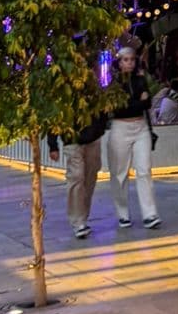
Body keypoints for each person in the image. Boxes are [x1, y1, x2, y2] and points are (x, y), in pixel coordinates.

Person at [107, 45, 160, 230]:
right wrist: (140, 102)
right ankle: (123, 214)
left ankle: (150, 214)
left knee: (144, 170)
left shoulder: (140, 79)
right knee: (119, 174)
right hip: (121, 127)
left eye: (131, 59)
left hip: (140, 127)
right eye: (125, 60)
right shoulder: (114, 83)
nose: (129, 63)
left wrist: (138, 103)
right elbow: (120, 108)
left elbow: (148, 102)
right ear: (119, 62)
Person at [49, 111, 107, 240]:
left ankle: (83, 217)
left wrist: (99, 128)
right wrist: (53, 145)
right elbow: (54, 114)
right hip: (71, 139)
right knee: (77, 176)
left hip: (92, 137)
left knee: (90, 178)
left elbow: (102, 107)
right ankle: (78, 222)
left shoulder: (93, 91)